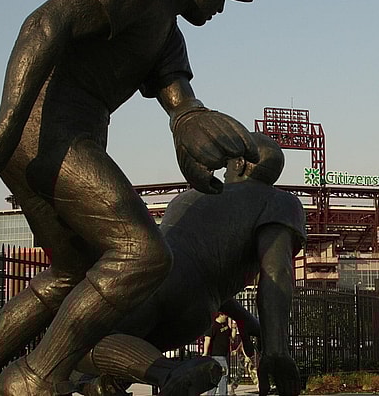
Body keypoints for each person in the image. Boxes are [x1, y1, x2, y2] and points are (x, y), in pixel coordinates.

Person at [0, 0, 259, 395]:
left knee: (71, 274)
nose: (220, 10)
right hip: (49, 132)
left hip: (47, 139)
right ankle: (35, 377)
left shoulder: (168, 36)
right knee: (145, 254)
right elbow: (44, 23)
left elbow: (180, 103)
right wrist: (7, 122)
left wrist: (191, 130)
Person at [71, 132, 303, 396]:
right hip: (196, 312)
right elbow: (276, 271)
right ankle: (109, 384)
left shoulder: (189, 197)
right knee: (112, 360)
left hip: (151, 283)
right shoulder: (281, 202)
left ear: (239, 164)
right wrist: (272, 344)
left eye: (228, 163)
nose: (224, 169)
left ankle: (168, 372)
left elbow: (275, 272)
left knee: (78, 345)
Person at [204, 313, 233, 396]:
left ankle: (210, 394)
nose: (227, 317)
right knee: (223, 377)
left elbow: (232, 337)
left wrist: (234, 329)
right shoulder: (213, 326)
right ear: (221, 315)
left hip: (224, 355)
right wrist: (205, 353)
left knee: (216, 377)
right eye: (226, 315)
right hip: (217, 355)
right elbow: (207, 339)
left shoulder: (225, 325)